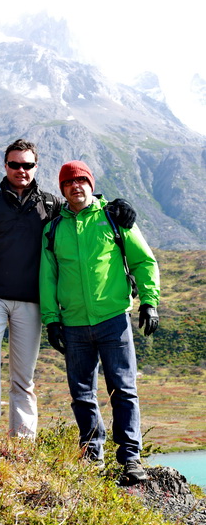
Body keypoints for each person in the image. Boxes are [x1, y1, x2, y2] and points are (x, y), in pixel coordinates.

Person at [0, 140, 137, 440]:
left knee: (23, 375)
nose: (21, 170)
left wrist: (114, 206)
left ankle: (22, 441)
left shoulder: (51, 205)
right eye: (15, 164)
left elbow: (81, 209)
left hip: (32, 302)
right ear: (6, 166)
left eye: (27, 165)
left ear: (36, 167)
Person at [39, 160, 159, 483]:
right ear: (62, 190)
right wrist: (51, 321)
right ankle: (92, 456)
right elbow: (48, 278)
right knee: (81, 393)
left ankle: (130, 459)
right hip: (74, 324)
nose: (75, 186)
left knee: (123, 389)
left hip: (113, 320)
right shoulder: (53, 230)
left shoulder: (114, 218)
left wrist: (149, 301)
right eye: (68, 183)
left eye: (81, 181)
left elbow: (143, 260)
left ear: (91, 185)